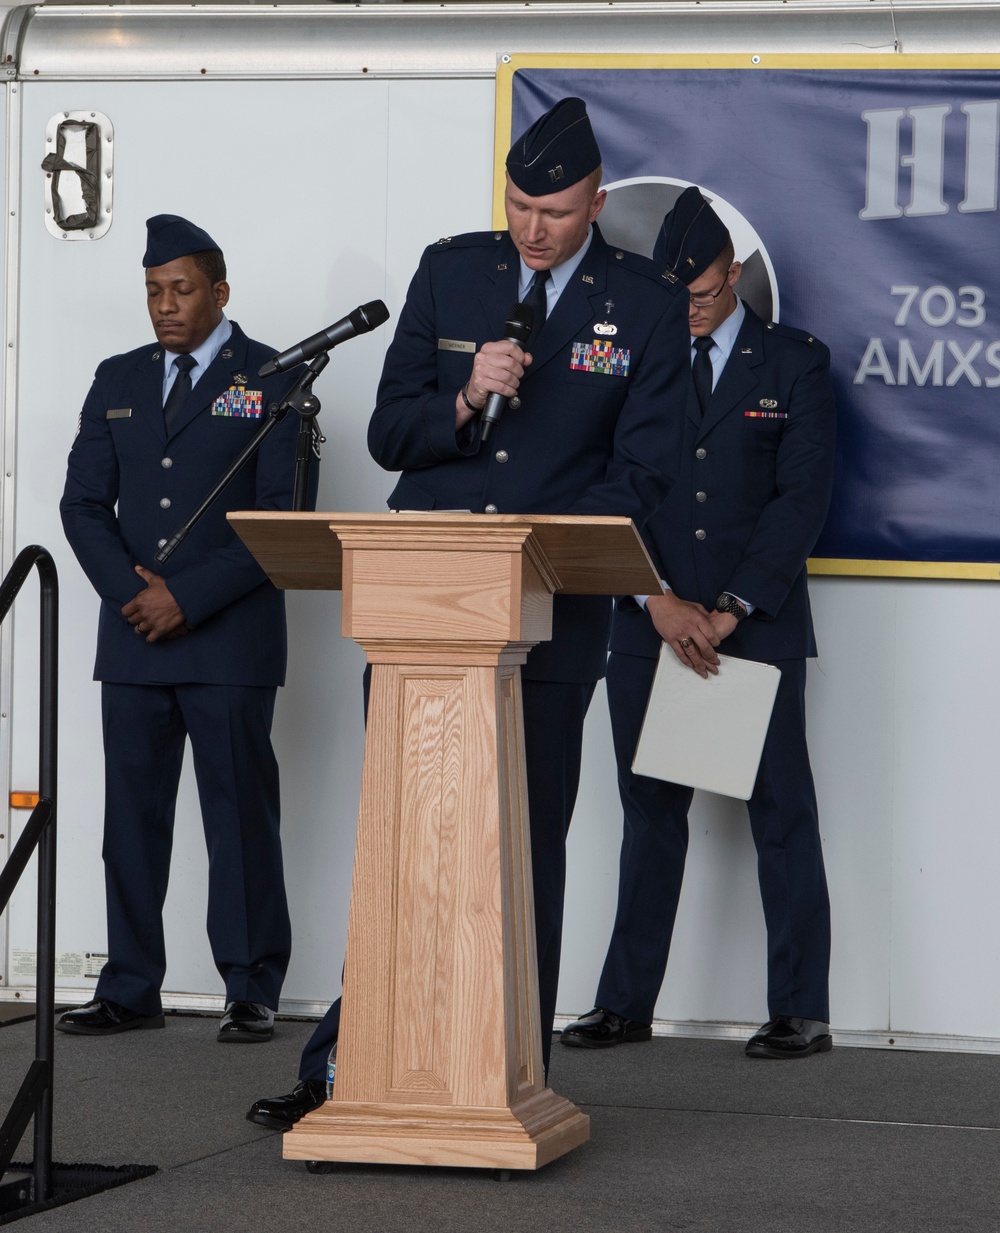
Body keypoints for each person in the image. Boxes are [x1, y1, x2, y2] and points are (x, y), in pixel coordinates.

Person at [247, 96, 690, 1129]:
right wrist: (460, 401)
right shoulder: (452, 270)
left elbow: (649, 473)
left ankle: (502, 1069)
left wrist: (526, 536)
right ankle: (342, 1065)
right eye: (519, 202)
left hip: (548, 611)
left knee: (520, 846)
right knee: (404, 839)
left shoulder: (649, 304)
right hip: (422, 601)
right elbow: (393, 431)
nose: (534, 227)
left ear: (599, 201)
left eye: (557, 209)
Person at [561, 187, 837, 1060]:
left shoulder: (793, 364)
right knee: (649, 818)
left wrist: (729, 608)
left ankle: (800, 1007)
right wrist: (657, 601)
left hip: (753, 625)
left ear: (738, 274)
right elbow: (601, 494)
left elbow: (802, 501)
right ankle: (624, 1004)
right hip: (650, 622)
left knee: (781, 816)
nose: (691, 310)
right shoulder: (630, 365)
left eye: (707, 293)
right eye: (676, 296)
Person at [59, 214, 315, 1044]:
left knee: (238, 814)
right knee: (131, 817)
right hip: (133, 635)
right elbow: (83, 504)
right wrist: (130, 594)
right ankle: (130, 984)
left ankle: (250, 985)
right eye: (153, 291)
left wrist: (186, 597)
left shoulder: (272, 378)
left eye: (181, 289)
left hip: (228, 640)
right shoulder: (117, 376)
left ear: (220, 291)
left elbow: (282, 517)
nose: (165, 306)